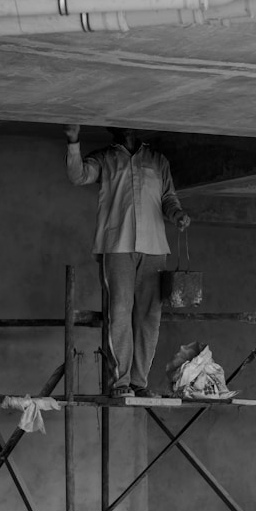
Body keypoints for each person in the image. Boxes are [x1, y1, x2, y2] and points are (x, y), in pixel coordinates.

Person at [64, 124, 190, 398]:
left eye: (130, 127)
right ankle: (120, 382)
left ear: (138, 129)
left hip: (154, 247)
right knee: (119, 312)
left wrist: (177, 215)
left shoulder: (157, 160)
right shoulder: (105, 158)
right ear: (113, 131)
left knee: (150, 317)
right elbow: (78, 176)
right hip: (117, 245)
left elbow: (168, 197)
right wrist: (73, 141)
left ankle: (138, 382)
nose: (126, 131)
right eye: (120, 127)